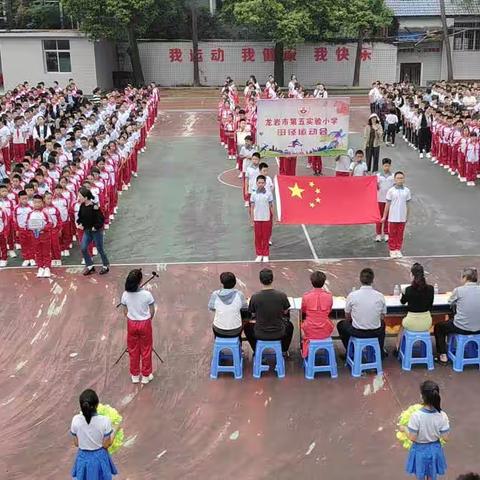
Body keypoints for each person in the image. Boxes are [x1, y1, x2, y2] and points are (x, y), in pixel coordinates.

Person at [403, 380, 449, 480]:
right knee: (432, 476)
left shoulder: (416, 416)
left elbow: (412, 437)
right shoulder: (443, 415)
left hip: (420, 451)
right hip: (435, 450)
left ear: (422, 396)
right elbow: (445, 438)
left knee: (420, 475)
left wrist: (404, 429)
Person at [434, 267, 480, 365]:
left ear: (465, 278)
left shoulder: (459, 290)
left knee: (439, 327)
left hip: (462, 327)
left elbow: (450, 302)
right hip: (479, 327)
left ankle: (443, 356)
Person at [70, 389, 118, 480]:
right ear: (97, 405)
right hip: (99, 458)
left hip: (83, 457)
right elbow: (106, 444)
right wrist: (115, 430)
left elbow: (76, 443)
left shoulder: (75, 420)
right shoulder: (105, 420)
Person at [337, 268, 387, 354]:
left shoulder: (352, 295)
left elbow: (347, 315)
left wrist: (357, 319)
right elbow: (382, 316)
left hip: (358, 332)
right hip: (375, 331)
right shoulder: (380, 296)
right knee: (382, 324)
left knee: (341, 325)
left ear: (360, 279)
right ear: (372, 280)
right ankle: (380, 351)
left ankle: (350, 351)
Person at [244, 268, 294, 353]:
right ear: (272, 279)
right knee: (290, 326)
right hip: (279, 332)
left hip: (260, 332)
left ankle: (256, 350)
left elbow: (252, 313)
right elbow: (286, 311)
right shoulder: (282, 295)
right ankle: (284, 350)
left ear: (260, 280)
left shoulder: (255, 297)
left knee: (246, 327)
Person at [120, 269, 156, 384]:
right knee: (146, 349)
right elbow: (152, 310)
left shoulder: (125, 294)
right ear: (140, 281)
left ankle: (135, 375)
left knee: (133, 349)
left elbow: (124, 311)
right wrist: (147, 319)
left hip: (131, 323)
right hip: (145, 323)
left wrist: (132, 317)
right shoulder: (147, 295)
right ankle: (146, 375)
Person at [395, 263, 434, 350]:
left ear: (412, 275)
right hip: (427, 322)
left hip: (411, 322)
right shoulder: (431, 289)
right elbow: (430, 305)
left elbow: (402, 302)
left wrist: (403, 293)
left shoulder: (408, 289)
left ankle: (397, 348)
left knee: (402, 326)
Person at [77, 186, 110, 276]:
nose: (78, 198)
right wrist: (80, 223)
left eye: (80, 196)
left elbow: (101, 219)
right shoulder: (82, 206)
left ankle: (105, 265)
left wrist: (96, 227)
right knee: (83, 248)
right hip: (87, 231)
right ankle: (90, 266)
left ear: (86, 197)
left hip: (96, 232)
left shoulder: (95, 207)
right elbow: (80, 217)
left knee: (100, 249)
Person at [300, 271, 334, 358]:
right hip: (325, 330)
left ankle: (305, 349)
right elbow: (329, 310)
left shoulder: (306, 296)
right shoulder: (329, 296)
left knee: (302, 324)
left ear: (311, 282)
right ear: (323, 282)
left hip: (310, 329)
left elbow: (303, 310)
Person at [208, 271, 248, 338]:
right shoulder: (239, 294)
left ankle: (219, 345)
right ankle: (238, 344)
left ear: (222, 282)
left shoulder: (215, 294)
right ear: (235, 282)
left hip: (218, 330)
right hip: (236, 330)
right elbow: (245, 308)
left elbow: (211, 308)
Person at [382, 171, 411, 258]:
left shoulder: (407, 191)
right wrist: (384, 216)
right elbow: (387, 204)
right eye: (398, 178)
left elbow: (408, 204)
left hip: (402, 217)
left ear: (404, 179)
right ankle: (392, 249)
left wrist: (407, 216)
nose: (400, 180)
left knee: (400, 234)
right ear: (395, 179)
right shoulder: (391, 191)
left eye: (401, 178)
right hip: (393, 216)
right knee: (392, 234)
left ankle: (398, 249)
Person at [25, 194, 52, 278]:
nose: (37, 204)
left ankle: (47, 267)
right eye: (35, 202)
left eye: (39, 202)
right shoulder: (30, 213)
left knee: (46, 252)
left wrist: (43, 227)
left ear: (42, 203)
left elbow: (51, 224)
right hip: (35, 237)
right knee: (37, 252)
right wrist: (30, 227)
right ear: (32, 203)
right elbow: (27, 225)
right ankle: (40, 267)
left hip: (45, 236)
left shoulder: (45, 213)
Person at [250, 175, 274, 262]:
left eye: (262, 183)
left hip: (266, 218)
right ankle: (259, 254)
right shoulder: (253, 194)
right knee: (258, 237)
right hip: (257, 218)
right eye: (259, 182)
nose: (260, 184)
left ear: (265, 183)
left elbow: (271, 206)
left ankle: (266, 254)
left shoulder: (268, 194)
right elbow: (252, 207)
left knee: (265, 237)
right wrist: (252, 219)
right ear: (256, 183)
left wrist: (273, 217)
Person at [375, 158, 394, 242]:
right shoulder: (378, 176)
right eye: (385, 166)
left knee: (387, 217)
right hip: (379, 199)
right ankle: (378, 234)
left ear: (390, 166)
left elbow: (394, 188)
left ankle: (386, 233)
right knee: (379, 218)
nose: (387, 167)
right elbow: (375, 187)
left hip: (389, 201)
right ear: (382, 166)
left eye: (388, 166)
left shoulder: (393, 176)